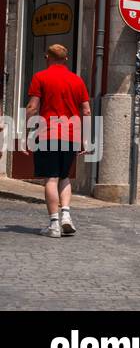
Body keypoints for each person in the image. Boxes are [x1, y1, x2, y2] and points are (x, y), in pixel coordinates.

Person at [25, 44, 91, 238]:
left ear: (47, 57)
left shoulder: (40, 77)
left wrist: (27, 131)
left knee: (51, 179)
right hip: (71, 135)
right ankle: (66, 216)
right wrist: (85, 139)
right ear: (66, 59)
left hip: (48, 134)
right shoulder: (77, 80)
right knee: (64, 177)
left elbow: (32, 107)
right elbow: (86, 110)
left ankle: (54, 224)